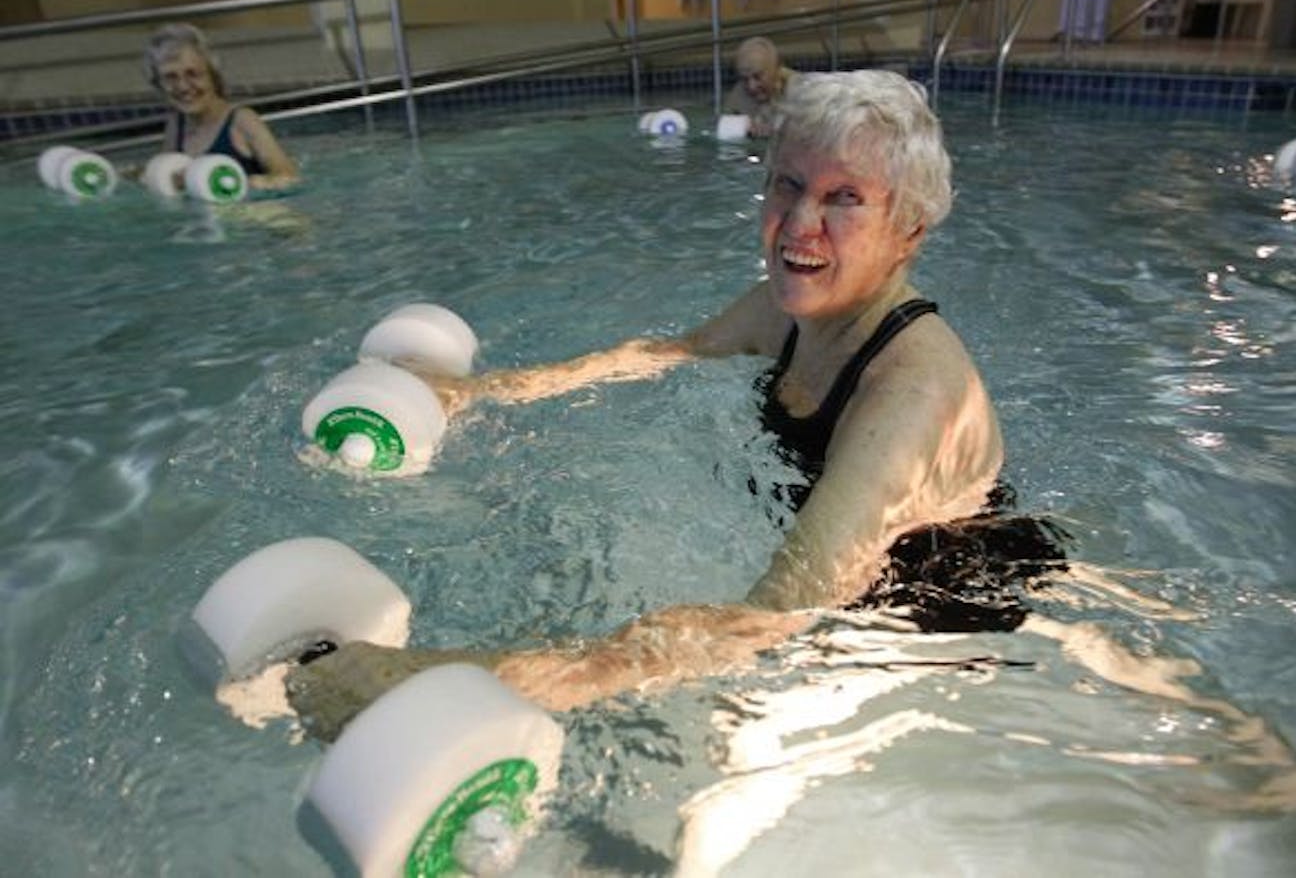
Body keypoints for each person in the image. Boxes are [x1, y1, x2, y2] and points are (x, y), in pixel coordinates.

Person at [287, 69, 1067, 741]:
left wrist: (430, 686)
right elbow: (666, 355)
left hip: (948, 625)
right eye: (788, 184)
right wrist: (477, 395)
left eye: (844, 199)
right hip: (852, 585)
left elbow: (771, 621)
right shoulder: (793, 307)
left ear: (907, 232)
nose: (799, 224)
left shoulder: (909, 391)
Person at [143, 23, 299, 190]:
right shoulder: (176, 124)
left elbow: (289, 177)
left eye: (193, 74)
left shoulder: (243, 121)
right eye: (170, 77)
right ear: (158, 84)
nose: (183, 87)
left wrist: (233, 183)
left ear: (212, 76)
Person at [724, 36, 795, 138]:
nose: (751, 86)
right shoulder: (738, 95)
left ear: (777, 68)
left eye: (758, 77)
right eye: (745, 79)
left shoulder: (802, 91)